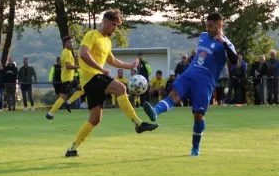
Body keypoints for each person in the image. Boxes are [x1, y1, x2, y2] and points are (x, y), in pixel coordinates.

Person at [65, 9, 158, 157]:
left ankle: (72, 148)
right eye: (114, 25)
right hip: (91, 77)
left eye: (117, 26)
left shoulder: (107, 41)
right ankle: (138, 124)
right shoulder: (91, 35)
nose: (115, 29)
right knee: (121, 87)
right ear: (105, 22)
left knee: (95, 119)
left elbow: (112, 61)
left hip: (94, 80)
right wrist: (101, 68)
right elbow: (82, 54)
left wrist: (130, 66)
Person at [143, 12, 237, 157]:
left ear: (219, 25)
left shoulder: (226, 44)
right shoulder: (203, 36)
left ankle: (195, 147)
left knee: (198, 115)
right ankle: (155, 112)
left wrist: (223, 42)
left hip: (205, 82)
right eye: (206, 25)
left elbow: (235, 61)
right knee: (174, 94)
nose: (208, 28)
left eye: (211, 25)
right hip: (190, 74)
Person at [47, 36, 79, 120]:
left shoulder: (67, 52)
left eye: (72, 42)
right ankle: (50, 113)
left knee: (83, 87)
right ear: (65, 43)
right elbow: (68, 66)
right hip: (67, 78)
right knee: (63, 97)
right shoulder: (66, 52)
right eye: (69, 42)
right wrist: (78, 66)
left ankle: (68, 102)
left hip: (70, 78)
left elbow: (63, 64)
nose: (71, 44)